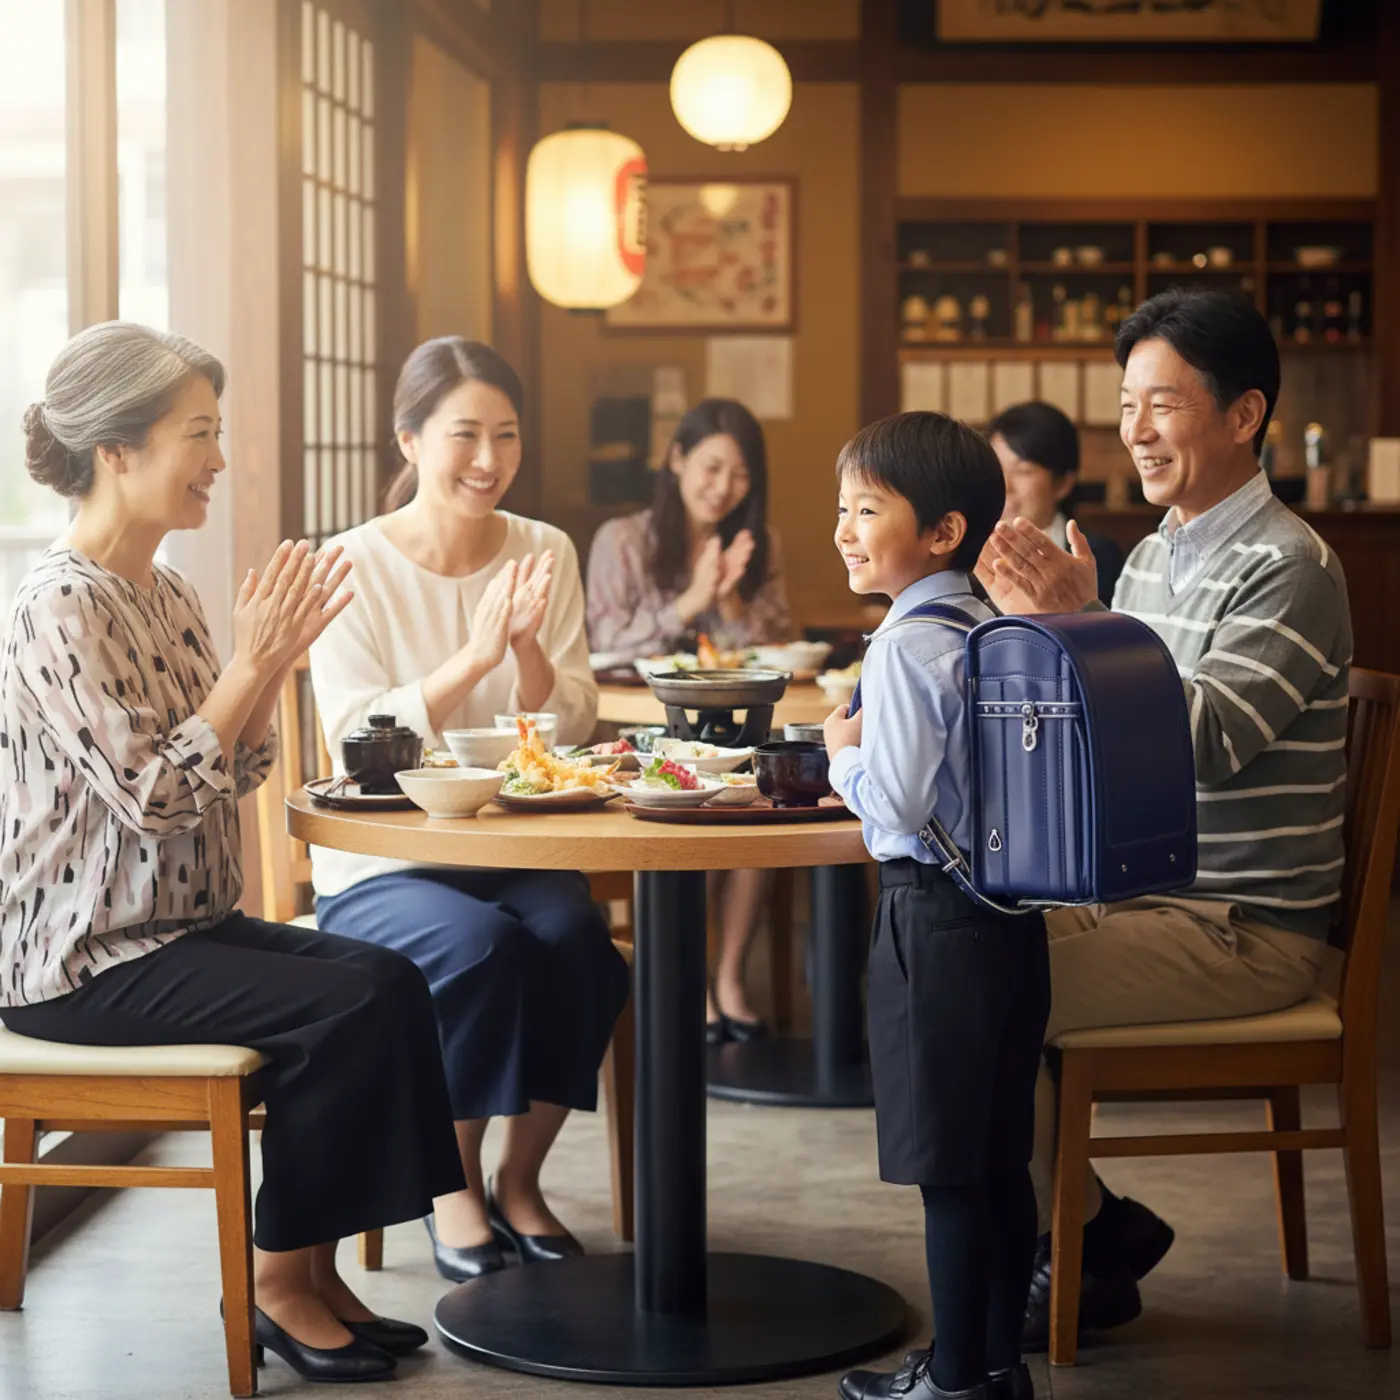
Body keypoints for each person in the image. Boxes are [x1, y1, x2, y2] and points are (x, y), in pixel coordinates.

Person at [0, 321, 466, 1384]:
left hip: (177, 930)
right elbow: (158, 795)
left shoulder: (164, 590)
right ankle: (274, 1282)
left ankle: (308, 1266)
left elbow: (234, 765)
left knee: (390, 980)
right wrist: (248, 664)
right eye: (197, 434)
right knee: (343, 1005)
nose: (218, 458)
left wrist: (269, 668)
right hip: (82, 959)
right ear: (117, 449)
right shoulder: (57, 606)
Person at [979, 288, 1351, 1348]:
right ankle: (1093, 1228)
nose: (1133, 430)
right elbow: (1099, 734)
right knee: (950, 938)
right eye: (1124, 403)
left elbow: (1196, 746)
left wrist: (1073, 623)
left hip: (1243, 926)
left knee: (988, 981)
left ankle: (1048, 1255)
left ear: (1242, 415)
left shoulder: (1289, 567)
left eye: (1162, 404)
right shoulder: (1152, 554)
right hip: (1145, 893)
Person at [309, 337, 630, 1283]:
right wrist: (475, 657)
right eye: (464, 435)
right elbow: (355, 743)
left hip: (513, 846)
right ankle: (453, 1190)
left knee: (578, 945)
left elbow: (571, 720)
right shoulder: (350, 564)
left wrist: (527, 651)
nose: (488, 459)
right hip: (383, 861)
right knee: (483, 951)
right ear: (408, 440)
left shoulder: (545, 549)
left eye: (507, 435)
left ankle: (518, 1180)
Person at [825, 412, 1047, 1400]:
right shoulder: (981, 622)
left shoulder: (906, 643)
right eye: (843, 507)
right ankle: (994, 1366)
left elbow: (900, 804)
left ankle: (952, 1379)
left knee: (945, 1168)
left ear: (941, 531)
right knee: (999, 1155)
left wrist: (840, 754)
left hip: (935, 921)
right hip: (1008, 920)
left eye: (865, 508)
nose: (843, 528)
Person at [586, 399, 792, 1040]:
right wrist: (692, 602)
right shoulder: (621, 540)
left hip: (737, 732)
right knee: (692, 812)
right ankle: (692, 981)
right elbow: (604, 642)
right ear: (675, 460)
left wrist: (729, 594)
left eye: (739, 474)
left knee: (761, 805)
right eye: (710, 467)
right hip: (642, 735)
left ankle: (729, 976)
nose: (722, 486)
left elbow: (781, 643)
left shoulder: (758, 546)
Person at [985, 401, 1123, 605]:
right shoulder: (968, 557)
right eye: (996, 468)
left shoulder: (1099, 557)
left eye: (1023, 471)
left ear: (1062, 484)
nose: (1005, 486)